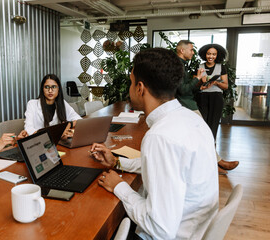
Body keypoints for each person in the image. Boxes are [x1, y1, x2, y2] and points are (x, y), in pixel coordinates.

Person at [90, 48, 219, 239]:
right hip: (194, 227)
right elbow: (165, 166)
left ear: (140, 88)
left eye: (131, 83)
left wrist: (119, 186)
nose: (129, 89)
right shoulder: (191, 118)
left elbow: (160, 228)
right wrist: (117, 162)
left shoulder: (160, 137)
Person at [176, 40, 239, 174]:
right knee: (203, 132)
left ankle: (215, 162)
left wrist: (214, 82)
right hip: (198, 99)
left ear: (217, 55)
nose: (211, 56)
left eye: (214, 54)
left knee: (209, 130)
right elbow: (187, 88)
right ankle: (216, 162)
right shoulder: (190, 66)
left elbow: (226, 85)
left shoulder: (220, 67)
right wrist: (200, 82)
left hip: (213, 98)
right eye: (209, 54)